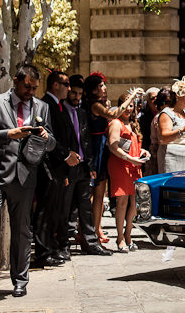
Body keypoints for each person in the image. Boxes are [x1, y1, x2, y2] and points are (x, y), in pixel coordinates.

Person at [0, 64, 56, 301]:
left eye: (35, 88)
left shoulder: (42, 107)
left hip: (25, 175)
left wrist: (48, 139)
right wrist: (9, 134)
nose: (30, 91)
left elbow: (51, 144)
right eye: (27, 86)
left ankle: (20, 281)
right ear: (16, 81)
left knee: (21, 230)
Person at [52, 74, 111, 260]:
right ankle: (64, 245)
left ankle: (91, 242)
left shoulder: (82, 112)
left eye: (79, 94)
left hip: (84, 166)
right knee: (67, 207)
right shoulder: (60, 112)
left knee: (86, 205)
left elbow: (86, 140)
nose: (77, 97)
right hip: (68, 165)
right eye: (74, 93)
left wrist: (91, 164)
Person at [32, 70, 72, 268]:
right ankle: (41, 252)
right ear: (55, 85)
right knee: (45, 211)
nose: (69, 89)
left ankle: (49, 247)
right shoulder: (45, 104)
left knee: (54, 211)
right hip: (48, 165)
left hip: (58, 168)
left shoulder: (59, 106)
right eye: (66, 84)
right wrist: (65, 155)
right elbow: (48, 136)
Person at [106, 92, 147, 252]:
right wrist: (131, 159)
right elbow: (113, 146)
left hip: (134, 165)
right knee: (122, 203)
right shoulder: (116, 123)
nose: (129, 108)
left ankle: (128, 235)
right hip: (121, 165)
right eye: (126, 105)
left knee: (135, 204)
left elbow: (132, 145)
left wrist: (142, 152)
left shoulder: (133, 124)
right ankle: (120, 238)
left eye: (131, 105)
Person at [81, 73, 119, 244]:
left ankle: (95, 228)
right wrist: (131, 97)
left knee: (97, 194)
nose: (105, 88)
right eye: (102, 85)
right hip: (95, 148)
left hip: (99, 147)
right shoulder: (95, 105)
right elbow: (114, 115)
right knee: (95, 194)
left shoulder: (96, 104)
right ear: (94, 89)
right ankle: (90, 231)